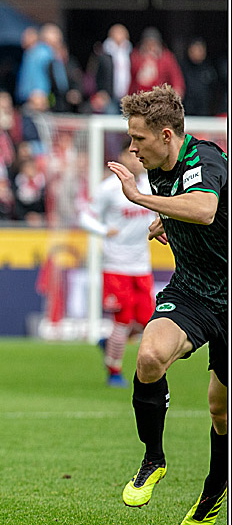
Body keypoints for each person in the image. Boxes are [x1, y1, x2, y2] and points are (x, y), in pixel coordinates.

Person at [107, 84, 226, 525]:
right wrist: (165, 217)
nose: (133, 149)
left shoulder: (206, 158)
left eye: (138, 139)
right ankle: (152, 458)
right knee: (151, 355)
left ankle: (216, 486)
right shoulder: (161, 164)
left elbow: (205, 209)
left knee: (220, 408)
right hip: (194, 288)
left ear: (166, 135)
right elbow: (185, 205)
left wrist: (142, 201)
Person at [78, 141, 155, 387]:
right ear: (122, 157)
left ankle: (108, 342)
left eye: (138, 154)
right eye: (130, 154)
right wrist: (103, 230)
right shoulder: (109, 188)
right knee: (122, 320)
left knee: (146, 321)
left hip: (141, 264)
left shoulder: (151, 186)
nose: (135, 158)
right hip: (116, 264)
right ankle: (114, 371)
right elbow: (84, 216)